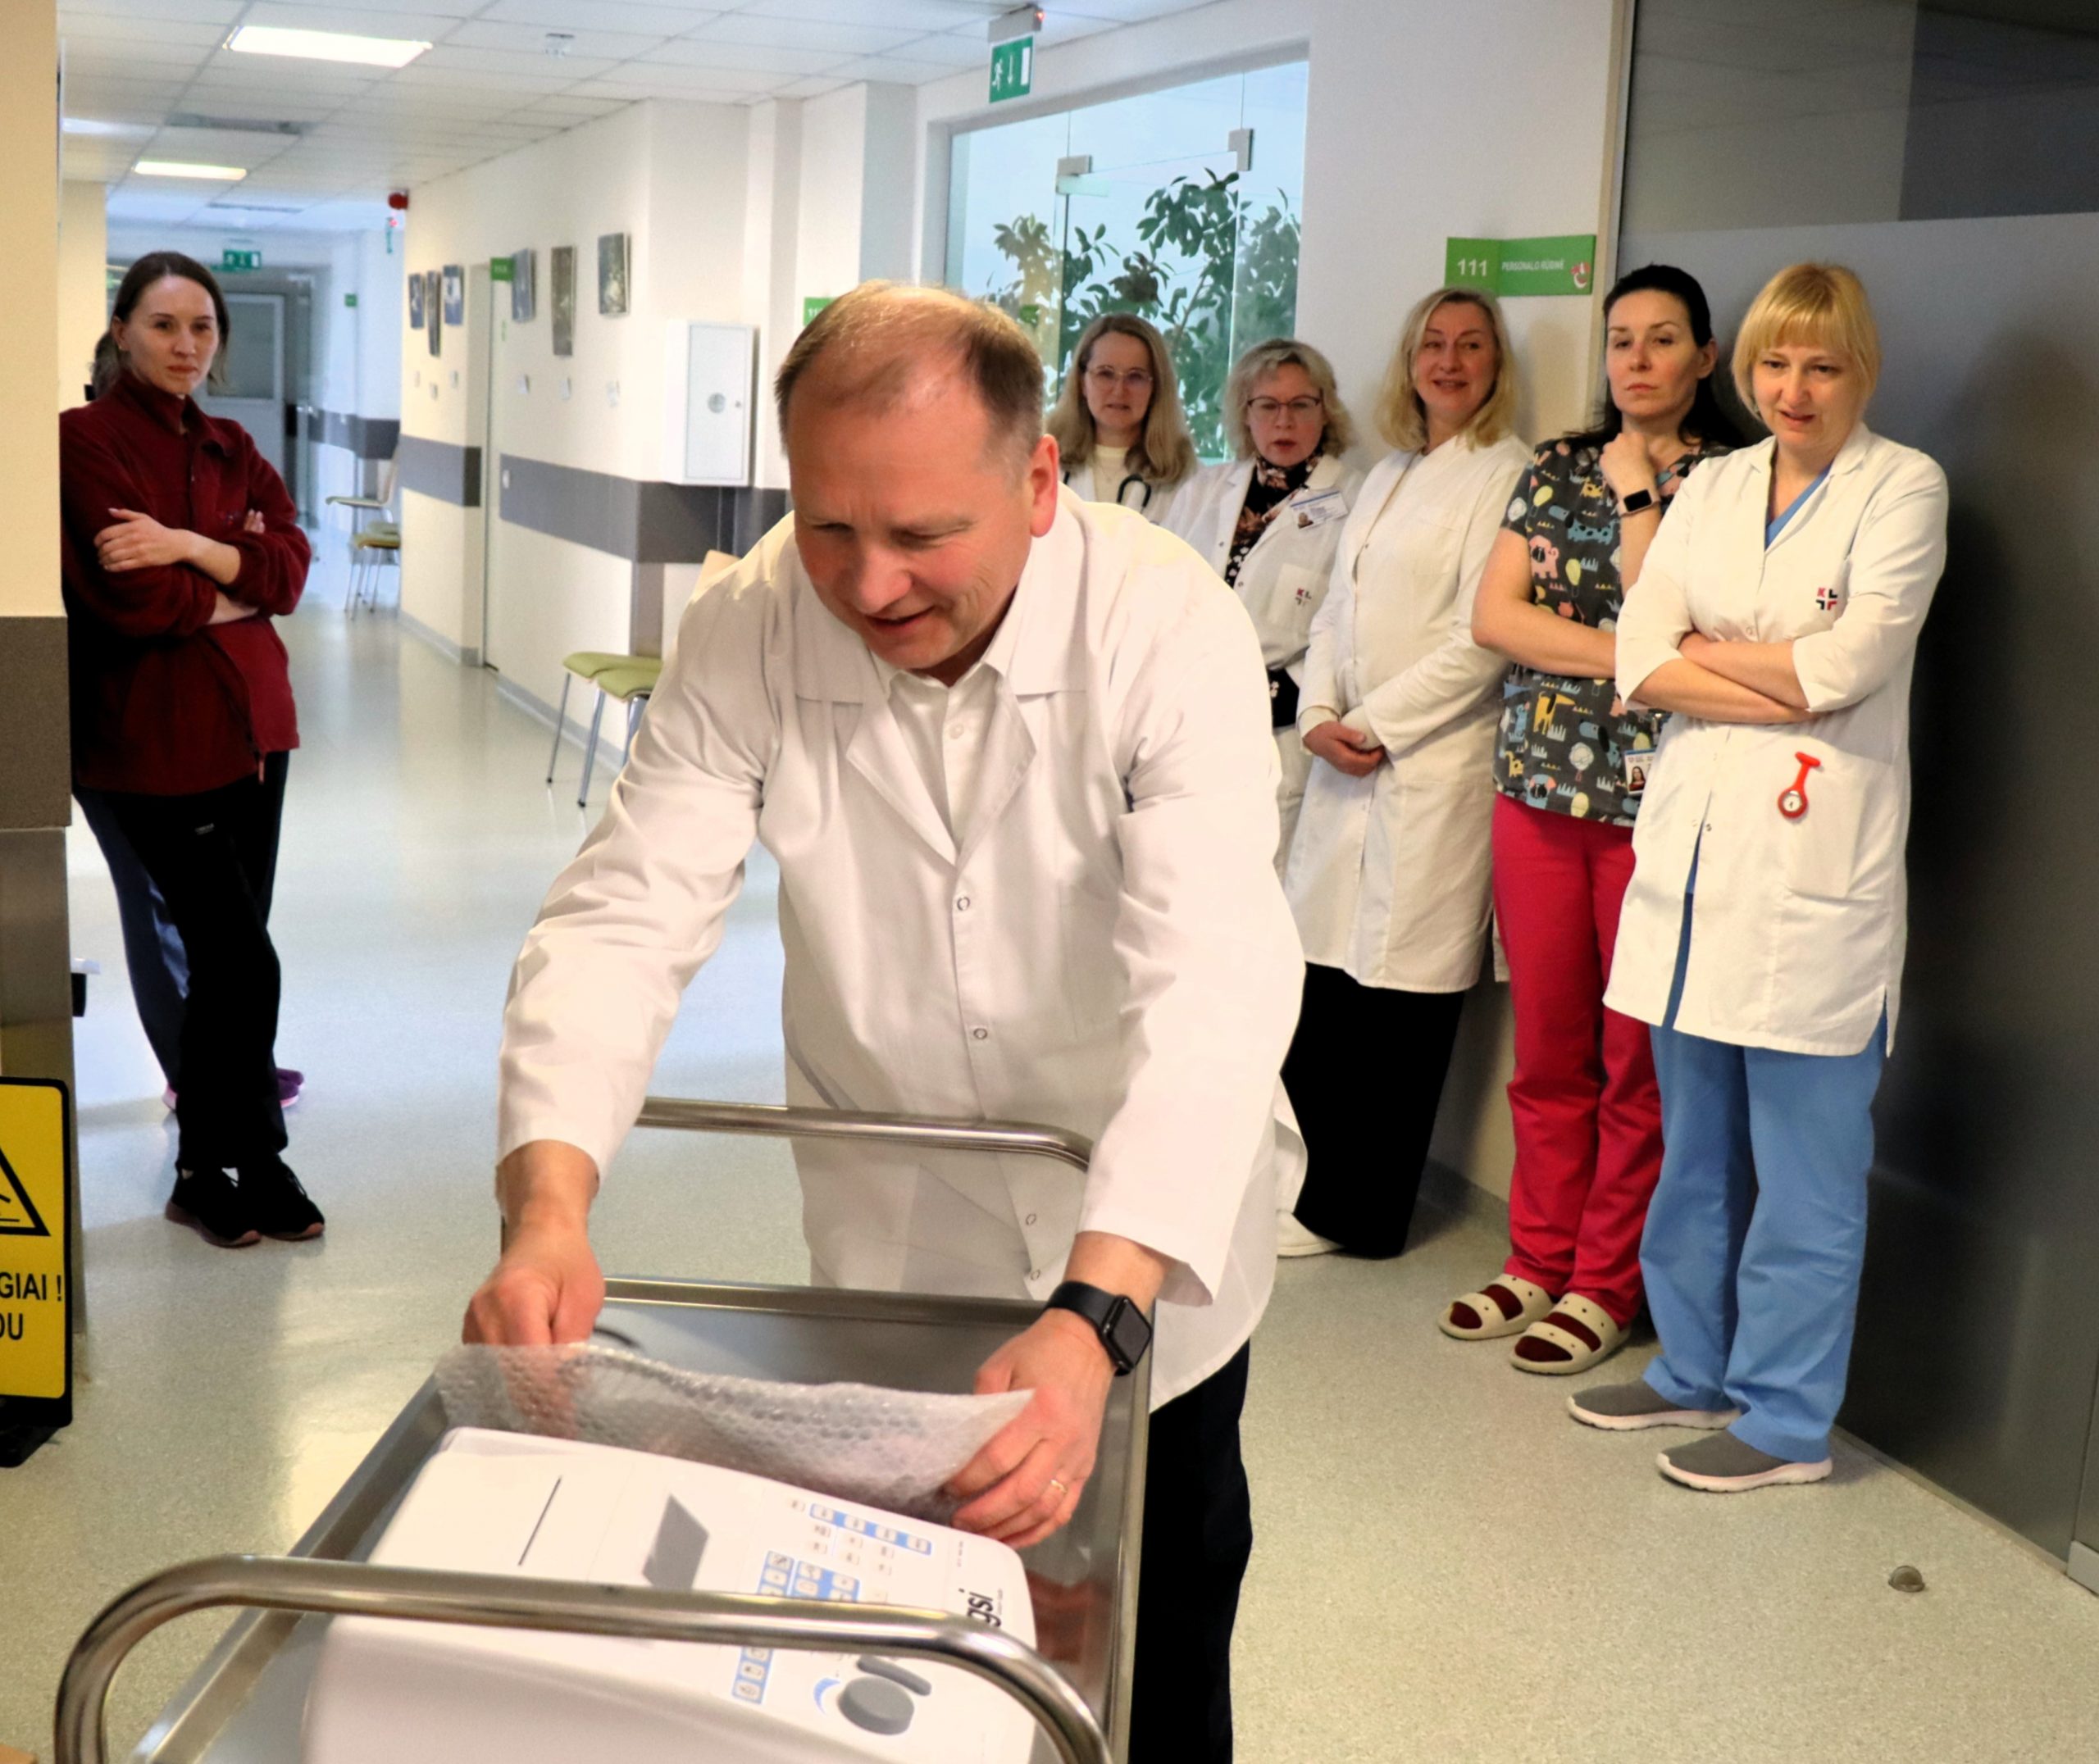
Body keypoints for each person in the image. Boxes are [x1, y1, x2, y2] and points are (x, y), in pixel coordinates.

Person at [464, 284, 1304, 1761]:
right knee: (916, 1635)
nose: (869, 583)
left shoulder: (1166, 623)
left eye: (922, 534)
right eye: (830, 526)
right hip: (898, 1226)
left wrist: (1101, 1312)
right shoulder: (751, 621)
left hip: (1144, 1222)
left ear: (1037, 479)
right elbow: (625, 914)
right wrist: (548, 1210)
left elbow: (1216, 977)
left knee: (1157, 1626)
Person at [1567, 263, 1947, 1493]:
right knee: (1695, 1154)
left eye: (1822, 366)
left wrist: (1709, 656)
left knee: (1805, 1178)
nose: (1795, 388)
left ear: (1861, 372)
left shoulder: (1904, 487)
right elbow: (1638, 654)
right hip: (1694, 868)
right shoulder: (1718, 483)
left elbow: (1849, 665)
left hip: (1811, 877)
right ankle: (1692, 1367)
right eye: (1775, 364)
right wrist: (1748, 668)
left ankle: (1785, 1421)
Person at [1446, 265, 1742, 1374]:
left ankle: (1607, 1281)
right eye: (1621, 339)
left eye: (1663, 339)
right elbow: (1495, 617)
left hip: (1660, 804)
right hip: (1536, 790)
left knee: (1636, 1060)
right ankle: (1536, 1257)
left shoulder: (1734, 479)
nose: (1638, 359)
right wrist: (1636, 657)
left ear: (1705, 358)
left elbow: (1694, 618)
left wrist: (1634, 502)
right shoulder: (1554, 465)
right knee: (1548, 1047)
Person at [61, 251, 321, 1248]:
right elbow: (133, 600)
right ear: (122, 330)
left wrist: (186, 545)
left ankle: (213, 1169)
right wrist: (232, 578)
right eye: (164, 325)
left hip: (255, 733)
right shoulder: (82, 442)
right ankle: (247, 1159)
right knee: (240, 959)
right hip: (153, 747)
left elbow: (288, 571)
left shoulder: (230, 443)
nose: (185, 345)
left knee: (230, 963)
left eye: (202, 327)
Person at [1278, 287, 1530, 1259]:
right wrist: (1318, 714)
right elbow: (1334, 610)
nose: (1449, 362)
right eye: (1432, 343)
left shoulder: (1506, 475)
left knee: (1398, 1004)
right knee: (1325, 984)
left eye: (1471, 346)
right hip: (1344, 757)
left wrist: (1375, 722)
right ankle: (1302, 1191)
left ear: (1495, 364)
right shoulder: (1387, 473)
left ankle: (1361, 1213)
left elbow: (1482, 638)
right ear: (1408, 360)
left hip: (1429, 762)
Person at [1170, 339, 1364, 860]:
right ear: (1245, 412)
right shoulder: (1204, 491)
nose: (1284, 421)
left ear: (1326, 411)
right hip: (1191, 718)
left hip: (1281, 726)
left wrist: (1285, 693)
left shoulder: (1355, 501)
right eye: (1268, 405)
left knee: (1268, 874)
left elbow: (1349, 622)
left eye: (1301, 404)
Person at [1046, 312, 1198, 523]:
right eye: (1105, 374)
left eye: (1135, 377)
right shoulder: (1045, 463)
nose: (1119, 391)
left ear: (1156, 387)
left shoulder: (1187, 479)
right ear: (1082, 382)